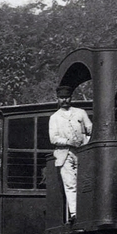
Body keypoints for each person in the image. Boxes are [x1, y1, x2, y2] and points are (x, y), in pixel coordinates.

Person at [49, 85, 93, 220]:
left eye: (66, 97)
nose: (64, 100)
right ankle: (74, 213)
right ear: (57, 99)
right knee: (70, 183)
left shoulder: (80, 112)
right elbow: (53, 138)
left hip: (82, 152)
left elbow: (91, 129)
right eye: (61, 98)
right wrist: (68, 141)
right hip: (64, 154)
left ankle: (87, 210)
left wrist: (86, 141)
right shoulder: (54, 117)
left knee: (86, 181)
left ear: (71, 98)